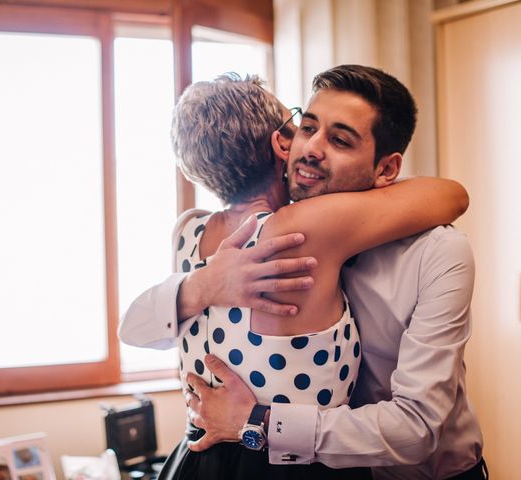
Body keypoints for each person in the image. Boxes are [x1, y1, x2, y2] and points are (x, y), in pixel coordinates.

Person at [119, 66, 478, 479]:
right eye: (307, 128)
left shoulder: (436, 252)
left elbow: (416, 427)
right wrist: (201, 285)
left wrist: (258, 421)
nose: (310, 148)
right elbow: (134, 328)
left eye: (340, 140)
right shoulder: (270, 231)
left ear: (386, 170)